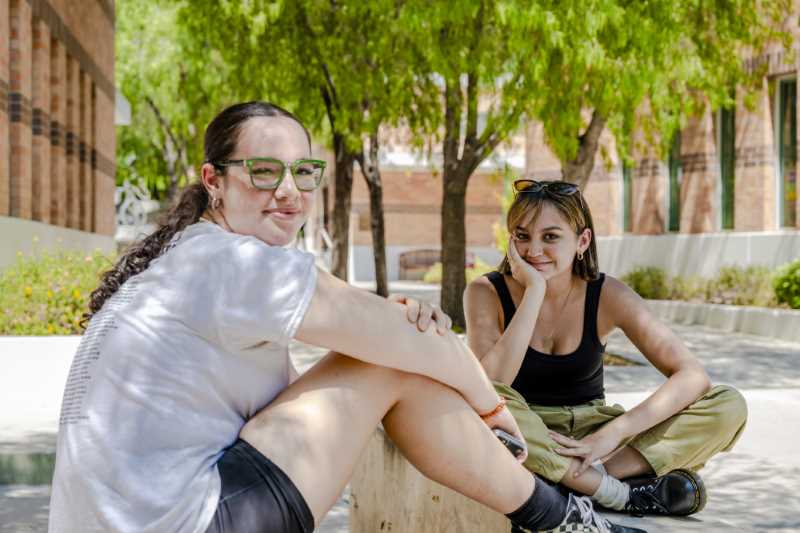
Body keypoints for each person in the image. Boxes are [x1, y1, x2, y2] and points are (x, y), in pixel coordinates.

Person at [47, 103, 644, 533]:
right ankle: (565, 519)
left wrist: (393, 325)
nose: (289, 192)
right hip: (192, 520)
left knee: (390, 346)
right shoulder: (230, 262)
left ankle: (568, 510)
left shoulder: (188, 259)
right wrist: (491, 411)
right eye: (262, 171)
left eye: (303, 172)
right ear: (214, 182)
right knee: (387, 362)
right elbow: (404, 346)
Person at [464, 179, 748, 519]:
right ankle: (615, 491)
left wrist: (611, 435)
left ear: (582, 241)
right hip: (525, 429)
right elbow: (491, 384)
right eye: (522, 236)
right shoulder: (486, 292)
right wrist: (534, 291)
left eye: (550, 237)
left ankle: (575, 483)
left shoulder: (606, 294)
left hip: (593, 433)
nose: (533, 250)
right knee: (482, 397)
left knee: (729, 405)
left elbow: (692, 376)